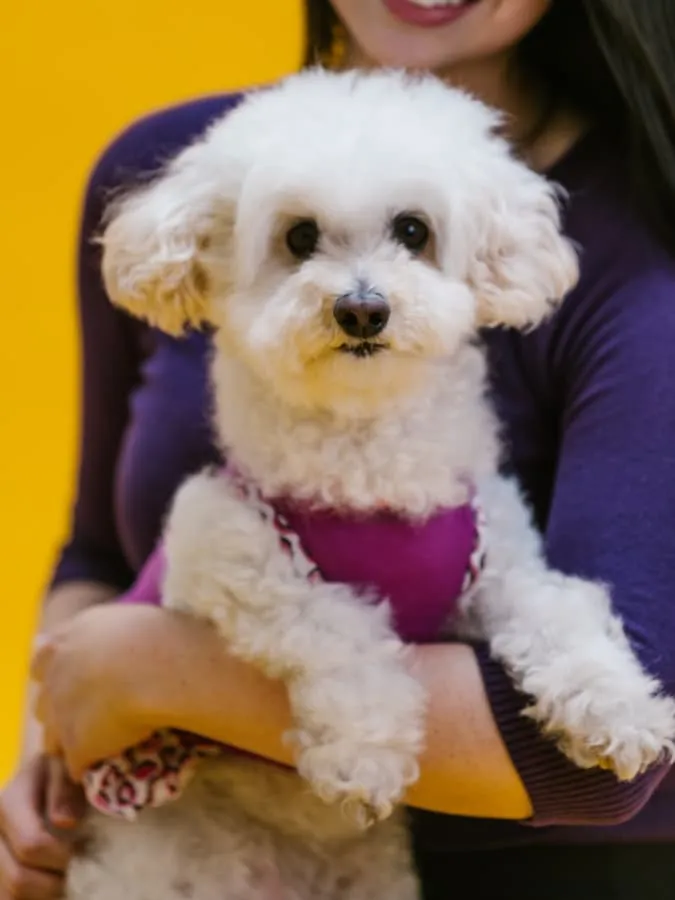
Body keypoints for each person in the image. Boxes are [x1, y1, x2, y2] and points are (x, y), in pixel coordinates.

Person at [4, 0, 675, 897]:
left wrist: (143, 668)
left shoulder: (643, 223)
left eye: (409, 235)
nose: (360, 295)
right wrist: (42, 765)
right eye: (301, 241)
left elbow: (604, 773)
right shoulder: (176, 166)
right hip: (179, 846)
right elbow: (94, 553)